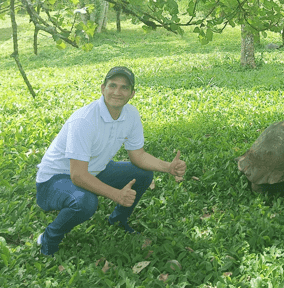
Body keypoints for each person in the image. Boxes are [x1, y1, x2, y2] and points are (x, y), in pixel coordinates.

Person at [35, 66, 186, 256]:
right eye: (112, 85)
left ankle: (118, 220)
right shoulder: (85, 120)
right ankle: (49, 238)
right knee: (85, 202)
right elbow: (78, 175)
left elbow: (137, 155)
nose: (117, 92)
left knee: (142, 174)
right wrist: (116, 194)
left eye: (124, 87)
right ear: (102, 88)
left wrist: (168, 167)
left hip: (95, 170)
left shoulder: (130, 115)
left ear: (132, 93)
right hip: (54, 181)